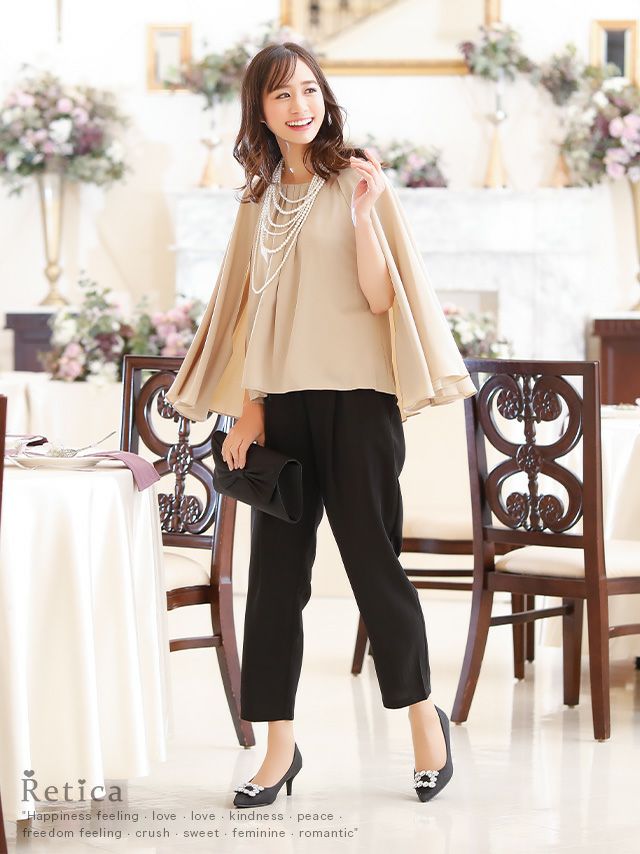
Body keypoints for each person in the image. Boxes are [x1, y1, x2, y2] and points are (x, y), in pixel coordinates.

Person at [166, 41, 477, 807]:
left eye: (308, 90)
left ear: (324, 97)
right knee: (275, 581)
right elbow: (249, 314)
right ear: (260, 111)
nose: (299, 105)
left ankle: (424, 722)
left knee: (374, 567)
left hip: (360, 404)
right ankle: (278, 748)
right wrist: (249, 407)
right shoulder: (258, 201)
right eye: (281, 95)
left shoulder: (356, 178)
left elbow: (381, 298)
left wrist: (366, 216)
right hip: (282, 408)